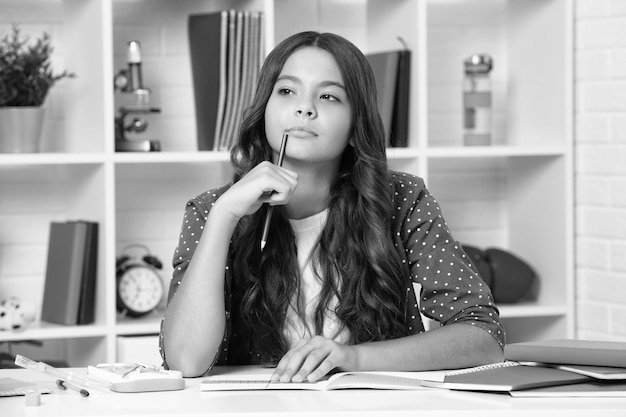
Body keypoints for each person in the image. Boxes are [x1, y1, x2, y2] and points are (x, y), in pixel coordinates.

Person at [160, 31, 505, 382]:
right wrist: (224, 216)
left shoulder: (403, 199)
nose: (304, 107)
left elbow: (483, 336)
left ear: (357, 124)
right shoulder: (212, 209)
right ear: (265, 109)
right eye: (286, 91)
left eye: (328, 96)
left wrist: (352, 357)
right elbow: (186, 360)